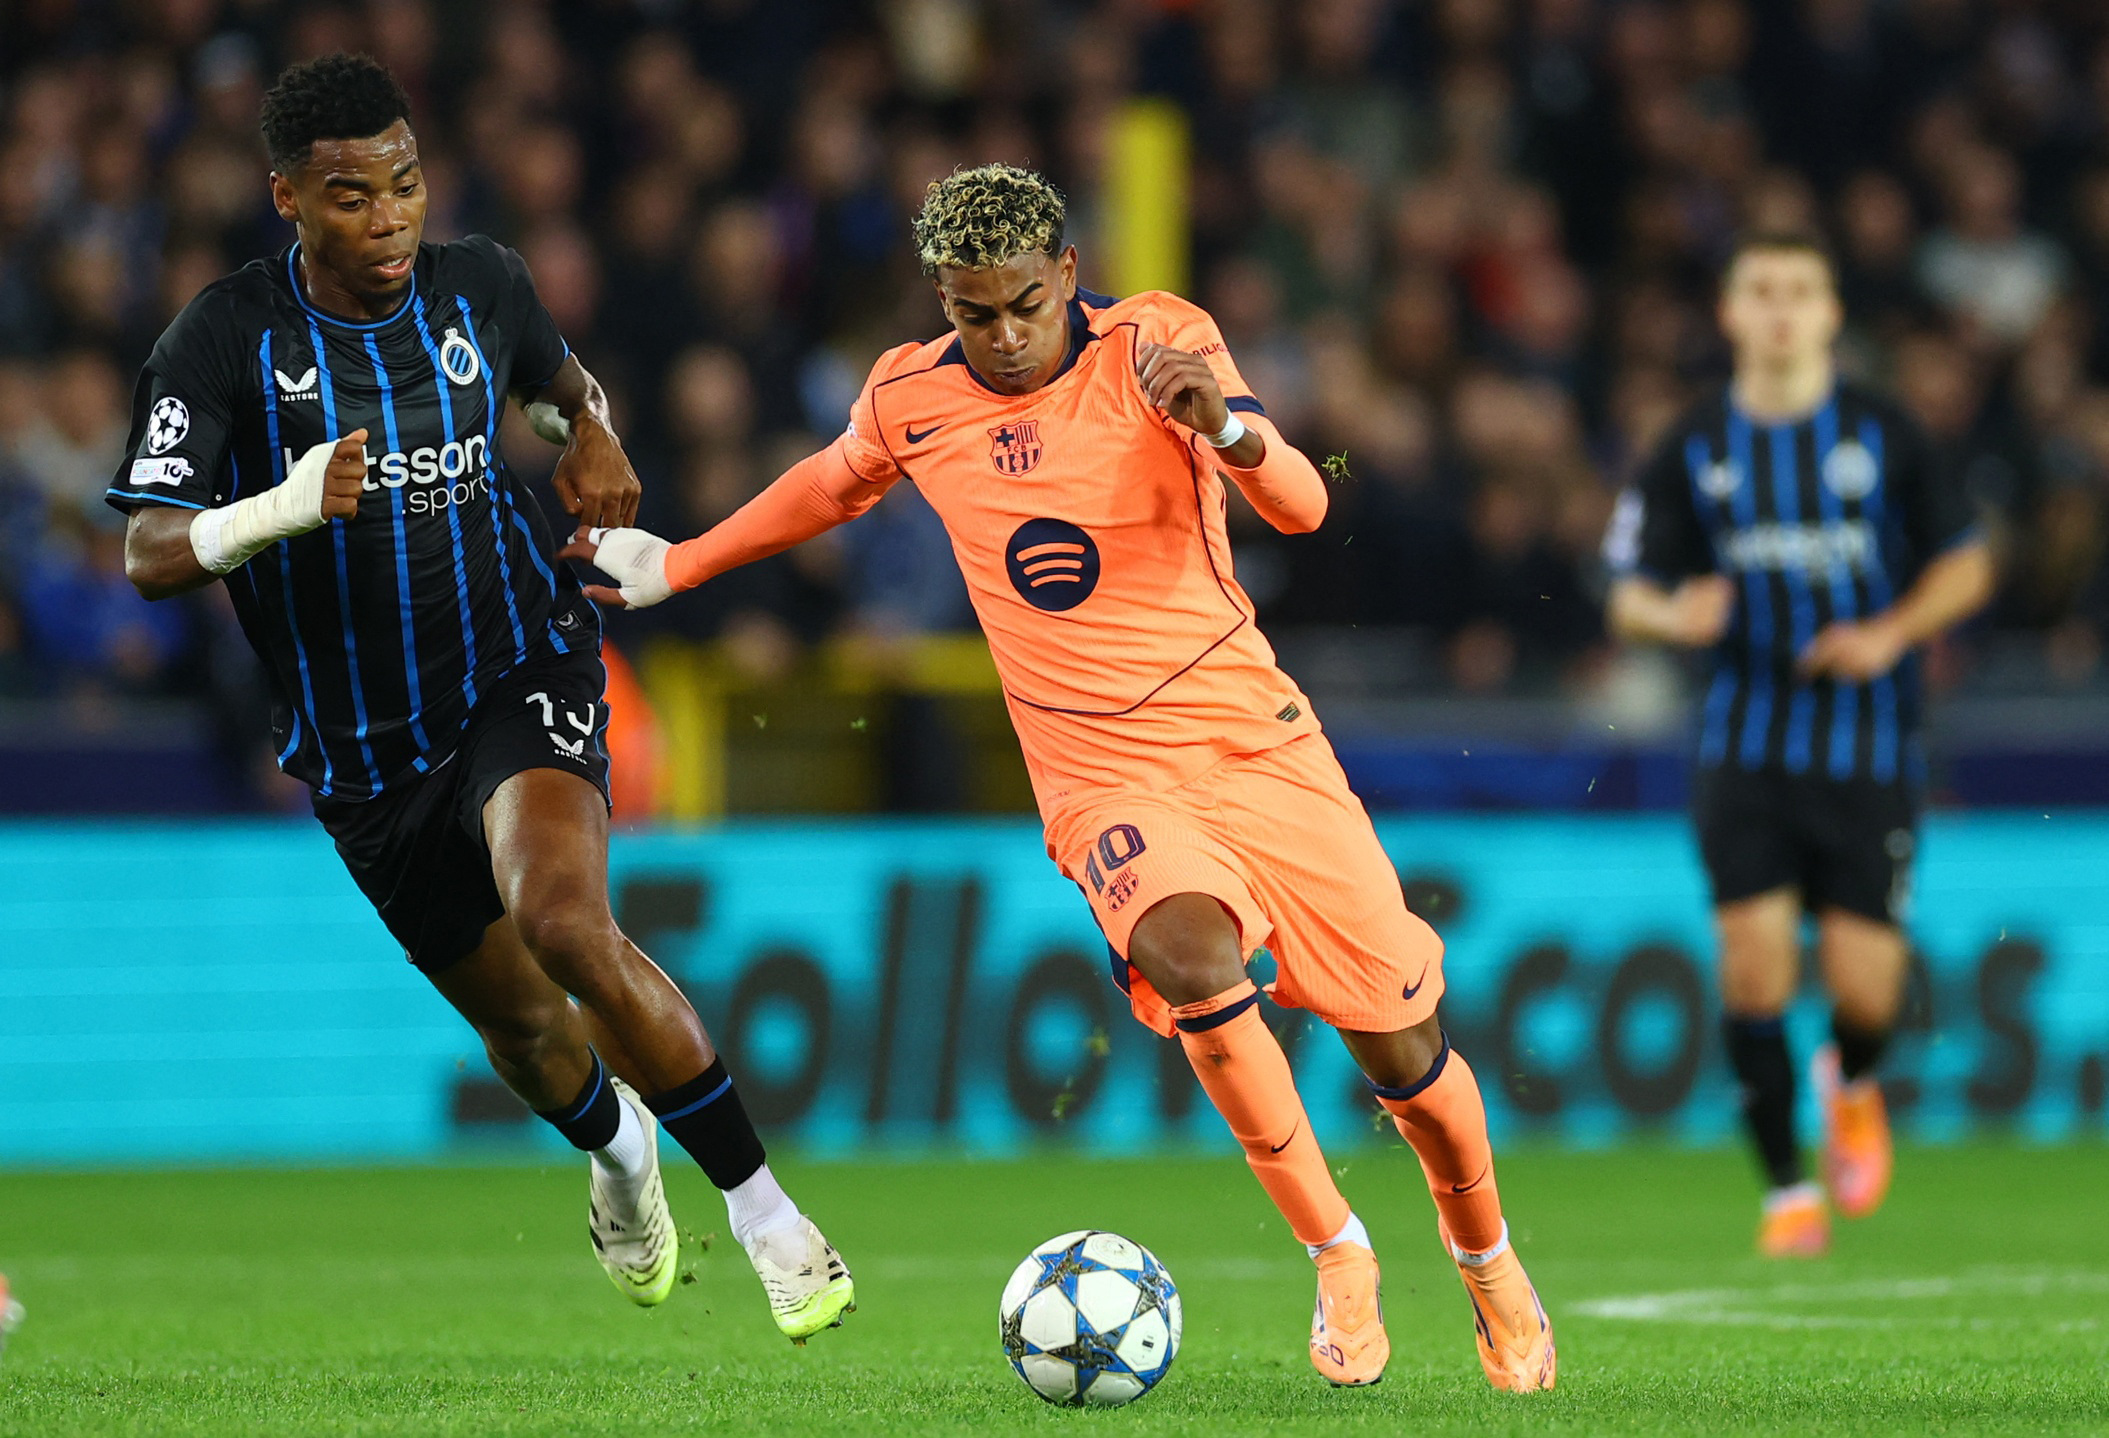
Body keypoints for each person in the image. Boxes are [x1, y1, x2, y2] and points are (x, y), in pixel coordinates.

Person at [571, 163, 1555, 1393]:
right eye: (973, 312)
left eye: (1024, 304)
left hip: (1251, 735)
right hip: (1100, 771)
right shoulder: (910, 394)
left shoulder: (1160, 342)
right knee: (1192, 960)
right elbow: (831, 484)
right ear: (944, 298)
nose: (1002, 333)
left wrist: (1233, 430)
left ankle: (1489, 1263)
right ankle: (1336, 1247)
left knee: (1404, 1054)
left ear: (1069, 276)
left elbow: (1305, 504)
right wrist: (682, 566)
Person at [106, 54, 853, 1343]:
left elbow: (566, 394)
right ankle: (620, 1156)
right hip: (363, 755)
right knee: (523, 1028)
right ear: (287, 197)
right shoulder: (222, 340)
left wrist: (597, 433)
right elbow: (148, 552)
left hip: (519, 664)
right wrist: (279, 505)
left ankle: (770, 1213)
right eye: (350, 195)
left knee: (565, 922)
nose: (387, 216)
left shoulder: (484, 286)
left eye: (403, 184)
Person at [1604, 233, 1994, 1257]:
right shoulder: (1688, 441)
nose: (1780, 310)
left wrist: (1892, 633)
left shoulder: (1887, 432)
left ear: (1829, 314)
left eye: (1800, 291)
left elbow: (1967, 565)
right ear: (1730, 314)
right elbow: (1628, 591)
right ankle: (1786, 1191)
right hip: (1744, 746)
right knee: (1754, 974)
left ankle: (1853, 1078)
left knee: (1866, 990)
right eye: (1761, 292)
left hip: (1869, 749)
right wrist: (1670, 617)